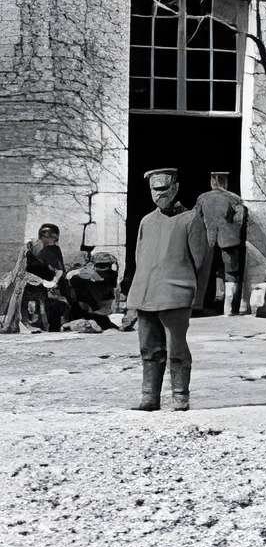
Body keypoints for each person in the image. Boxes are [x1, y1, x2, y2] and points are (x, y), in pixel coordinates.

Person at [120, 168, 211, 411]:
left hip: (176, 295)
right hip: (145, 295)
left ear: (176, 188)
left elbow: (201, 261)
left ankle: (180, 396)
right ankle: (150, 397)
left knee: (176, 349)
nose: (159, 194)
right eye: (154, 189)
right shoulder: (146, 222)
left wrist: (196, 298)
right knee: (149, 349)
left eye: (163, 188)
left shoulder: (191, 219)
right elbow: (140, 259)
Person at [193, 173, 249, 317]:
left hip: (207, 240)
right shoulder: (235, 198)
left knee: (203, 270)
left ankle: (198, 305)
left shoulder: (202, 198)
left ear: (212, 181)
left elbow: (194, 220)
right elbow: (240, 220)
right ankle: (228, 308)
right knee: (230, 272)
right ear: (225, 182)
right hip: (229, 241)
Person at [19, 223, 69, 333]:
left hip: (45, 285)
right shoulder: (32, 249)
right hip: (32, 283)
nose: (52, 240)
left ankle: (46, 325)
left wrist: (54, 281)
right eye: (48, 236)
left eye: (53, 237)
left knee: (51, 306)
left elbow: (59, 269)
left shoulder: (53, 249)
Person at [59, 247, 116, 329]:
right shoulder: (83, 275)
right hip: (86, 312)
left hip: (97, 311)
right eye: (101, 265)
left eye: (106, 265)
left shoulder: (110, 276)